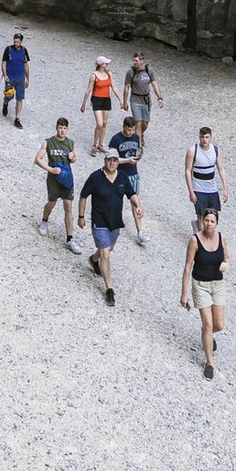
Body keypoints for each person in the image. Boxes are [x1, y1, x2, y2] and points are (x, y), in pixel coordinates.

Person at [77, 149, 139, 307]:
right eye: (109, 160)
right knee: (106, 253)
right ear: (104, 161)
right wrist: (81, 216)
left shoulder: (123, 177)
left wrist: (138, 206)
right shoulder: (96, 177)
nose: (112, 163)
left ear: (118, 162)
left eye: (115, 160)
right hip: (99, 221)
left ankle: (93, 259)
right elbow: (84, 195)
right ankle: (109, 289)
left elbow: (131, 193)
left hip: (115, 222)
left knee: (107, 249)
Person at [180, 207, 229, 379]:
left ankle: (206, 335)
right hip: (200, 285)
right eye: (206, 220)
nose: (208, 224)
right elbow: (187, 266)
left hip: (217, 284)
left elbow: (227, 258)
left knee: (219, 325)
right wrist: (184, 293)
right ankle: (210, 363)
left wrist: (226, 264)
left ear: (217, 223)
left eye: (212, 221)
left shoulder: (221, 238)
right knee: (208, 324)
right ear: (203, 221)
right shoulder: (195, 240)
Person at [34, 118, 81, 253]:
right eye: (60, 128)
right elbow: (37, 159)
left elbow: (74, 158)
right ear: (56, 128)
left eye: (65, 128)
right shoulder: (49, 142)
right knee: (52, 203)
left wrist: (73, 158)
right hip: (54, 179)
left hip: (67, 179)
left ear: (67, 129)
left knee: (68, 206)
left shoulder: (70, 143)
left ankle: (70, 239)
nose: (62, 130)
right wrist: (51, 170)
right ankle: (44, 220)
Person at [109, 115, 148, 245]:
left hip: (133, 174)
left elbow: (137, 151)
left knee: (135, 202)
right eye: (128, 130)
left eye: (132, 130)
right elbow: (111, 159)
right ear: (123, 127)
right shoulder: (116, 139)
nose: (130, 132)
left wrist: (137, 159)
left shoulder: (136, 138)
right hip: (119, 175)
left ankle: (140, 231)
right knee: (116, 201)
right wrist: (127, 160)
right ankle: (113, 224)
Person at [185, 127, 230, 231]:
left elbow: (221, 169)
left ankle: (198, 227)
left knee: (212, 214)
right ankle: (201, 241)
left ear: (211, 138)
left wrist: (225, 189)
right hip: (198, 187)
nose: (204, 140)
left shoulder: (215, 150)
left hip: (212, 187)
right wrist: (191, 191)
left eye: (206, 137)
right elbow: (188, 171)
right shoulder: (193, 150)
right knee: (201, 214)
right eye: (202, 137)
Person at [122, 53, 164, 150]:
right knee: (138, 123)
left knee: (145, 123)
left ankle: (140, 134)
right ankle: (139, 145)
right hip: (135, 99)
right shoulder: (130, 72)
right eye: (134, 60)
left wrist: (159, 97)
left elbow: (154, 84)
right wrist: (125, 102)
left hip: (146, 100)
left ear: (142, 61)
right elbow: (126, 87)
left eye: (136, 61)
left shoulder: (149, 70)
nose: (134, 62)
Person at [81, 56, 120, 154]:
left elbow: (114, 87)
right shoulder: (94, 76)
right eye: (106, 64)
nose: (107, 65)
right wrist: (84, 104)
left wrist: (120, 100)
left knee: (105, 123)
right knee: (99, 123)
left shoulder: (109, 74)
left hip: (106, 99)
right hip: (97, 100)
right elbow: (88, 90)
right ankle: (94, 145)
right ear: (101, 65)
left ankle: (101, 144)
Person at [1, 32, 30, 129]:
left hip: (21, 77)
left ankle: (17, 119)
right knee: (9, 95)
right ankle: (5, 103)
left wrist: (27, 79)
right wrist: (5, 75)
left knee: (19, 98)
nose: (15, 43)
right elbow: (4, 63)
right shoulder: (8, 49)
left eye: (17, 42)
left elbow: (26, 65)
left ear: (21, 41)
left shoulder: (24, 51)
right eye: (14, 41)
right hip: (10, 77)